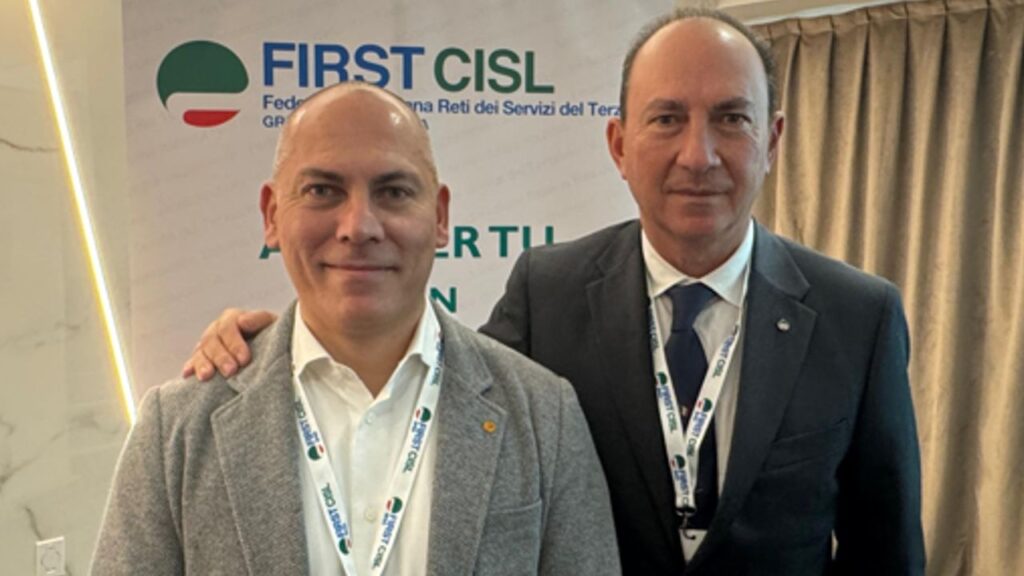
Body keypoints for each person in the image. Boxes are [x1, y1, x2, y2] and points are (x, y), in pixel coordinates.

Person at [182, 9, 925, 575]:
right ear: (619, 145)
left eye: (731, 119)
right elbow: (437, 383)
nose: (697, 154)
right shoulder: (550, 291)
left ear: (773, 140)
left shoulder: (858, 318)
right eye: (667, 119)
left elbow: (885, 549)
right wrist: (285, 341)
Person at [92, 82, 620, 576]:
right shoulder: (177, 429)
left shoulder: (543, 416)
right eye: (322, 190)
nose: (359, 227)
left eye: (393, 192)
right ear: (272, 215)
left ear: (440, 218)